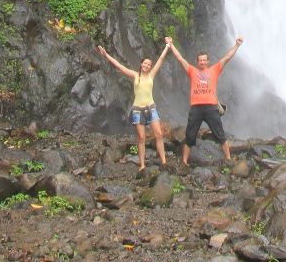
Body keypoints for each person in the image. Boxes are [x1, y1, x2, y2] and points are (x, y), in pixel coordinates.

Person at [165, 35, 243, 168]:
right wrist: (171, 45)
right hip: (196, 108)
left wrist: (237, 45)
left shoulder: (215, 70)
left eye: (204, 60)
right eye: (200, 60)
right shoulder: (192, 71)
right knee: (190, 135)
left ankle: (229, 159)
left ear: (208, 61)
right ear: (197, 62)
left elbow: (227, 58)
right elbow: (180, 59)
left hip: (211, 107)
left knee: (220, 134)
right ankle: (184, 162)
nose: (202, 62)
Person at [96, 41, 170, 172]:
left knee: (158, 134)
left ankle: (164, 161)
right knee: (141, 138)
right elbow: (119, 66)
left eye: (149, 64)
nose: (147, 65)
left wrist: (167, 46)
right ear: (141, 64)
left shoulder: (151, 76)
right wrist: (106, 55)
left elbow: (161, 59)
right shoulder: (135, 75)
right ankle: (142, 164)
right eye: (145, 63)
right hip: (137, 109)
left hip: (151, 108)